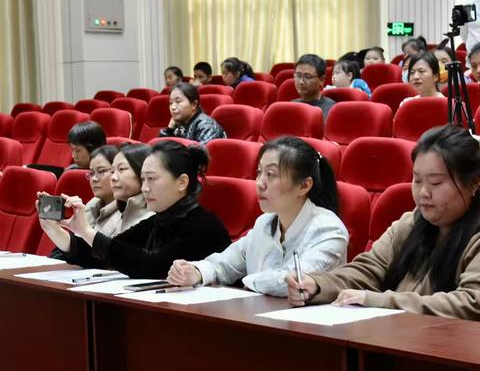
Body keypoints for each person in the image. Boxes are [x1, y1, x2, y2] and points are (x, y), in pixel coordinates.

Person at [286, 125, 480, 320]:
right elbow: (369, 269)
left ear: (473, 183)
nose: (423, 193)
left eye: (436, 183)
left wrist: (382, 301)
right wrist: (317, 284)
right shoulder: (410, 224)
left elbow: (472, 302)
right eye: (417, 180)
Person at [167, 136, 348, 296]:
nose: (260, 183)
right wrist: (196, 271)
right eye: (259, 172)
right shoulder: (265, 222)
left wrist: (246, 281)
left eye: (271, 174)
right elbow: (225, 264)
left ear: (304, 186)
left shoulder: (329, 229)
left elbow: (292, 282)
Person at [39, 141, 231, 278]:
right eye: (143, 178)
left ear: (181, 182)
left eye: (152, 178)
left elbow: (150, 266)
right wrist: (57, 229)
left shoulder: (203, 225)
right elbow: (103, 255)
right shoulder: (157, 220)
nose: (145, 187)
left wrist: (88, 232)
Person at [45, 143, 154, 261]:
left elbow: (113, 258)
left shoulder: (152, 215)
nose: (114, 177)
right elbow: (94, 256)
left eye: (121, 169)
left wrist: (84, 231)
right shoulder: (105, 206)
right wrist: (53, 229)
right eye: (112, 171)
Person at [159, 82, 226, 145]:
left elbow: (200, 155)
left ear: (194, 104)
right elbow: (161, 152)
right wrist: (169, 130)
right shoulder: (178, 125)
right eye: (170, 103)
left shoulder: (206, 126)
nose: (173, 107)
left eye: (178, 101)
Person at [292, 54, 336, 123]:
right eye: (298, 75)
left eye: (307, 76)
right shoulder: (291, 105)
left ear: (322, 80)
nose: (301, 82)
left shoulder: (330, 109)